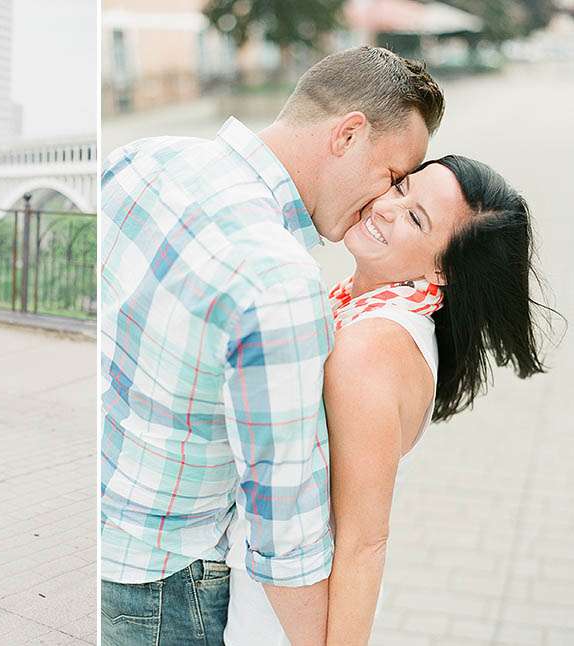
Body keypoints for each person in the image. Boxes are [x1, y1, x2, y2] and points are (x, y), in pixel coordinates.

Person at [100, 45, 444, 645]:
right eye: (391, 177)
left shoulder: (143, 158)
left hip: (101, 543)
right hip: (166, 589)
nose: (383, 203)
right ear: (348, 135)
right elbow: (285, 528)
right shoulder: (279, 280)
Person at [224, 155, 550, 644]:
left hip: (285, 613)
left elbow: (364, 543)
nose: (387, 208)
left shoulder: (370, 347)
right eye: (401, 188)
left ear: (442, 271)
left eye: (417, 218)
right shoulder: (365, 309)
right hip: (273, 586)